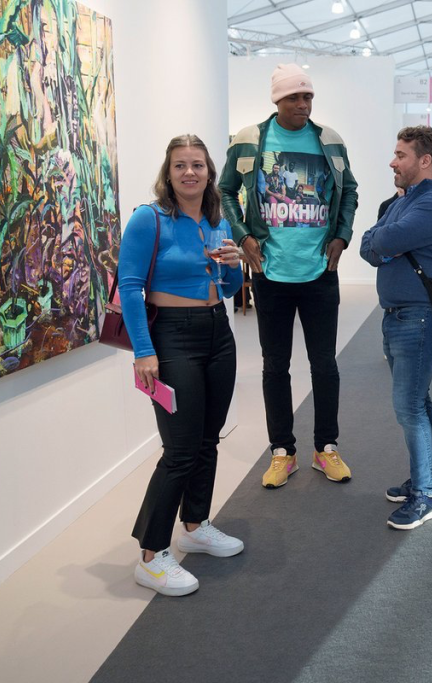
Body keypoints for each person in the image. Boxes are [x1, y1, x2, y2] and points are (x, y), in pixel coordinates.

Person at [220, 63, 358, 489]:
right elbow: (225, 190)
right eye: (294, 98)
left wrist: (342, 235)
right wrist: (242, 235)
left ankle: (326, 449)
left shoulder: (330, 140)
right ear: (276, 100)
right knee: (275, 366)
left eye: (308, 97)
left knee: (325, 366)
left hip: (320, 272)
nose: (303, 105)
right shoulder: (248, 140)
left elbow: (349, 190)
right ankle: (283, 452)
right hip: (270, 273)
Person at [123, 135, 245, 596]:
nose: (189, 173)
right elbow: (131, 287)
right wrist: (143, 350)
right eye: (180, 166)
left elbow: (229, 287)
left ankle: (195, 525)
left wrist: (235, 266)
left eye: (197, 165)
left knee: (208, 439)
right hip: (171, 337)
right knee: (180, 450)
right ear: (168, 173)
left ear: (209, 172)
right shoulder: (147, 219)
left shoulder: (218, 220)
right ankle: (151, 556)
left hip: (218, 331)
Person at [359, 125, 432, 530]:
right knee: (419, 401)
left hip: (418, 318)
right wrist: (385, 240)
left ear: (425, 160)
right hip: (400, 316)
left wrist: (386, 241)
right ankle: (430, 481)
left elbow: (383, 240)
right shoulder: (407, 199)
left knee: (410, 406)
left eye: (400, 154)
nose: (392, 161)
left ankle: (425, 497)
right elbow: (369, 244)